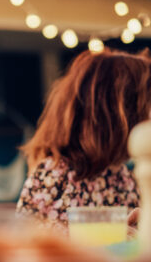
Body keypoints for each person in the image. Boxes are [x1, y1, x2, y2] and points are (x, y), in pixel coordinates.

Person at [16, 49, 151, 225]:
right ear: (119, 114)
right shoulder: (55, 177)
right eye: (146, 105)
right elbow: (27, 245)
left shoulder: (125, 176)